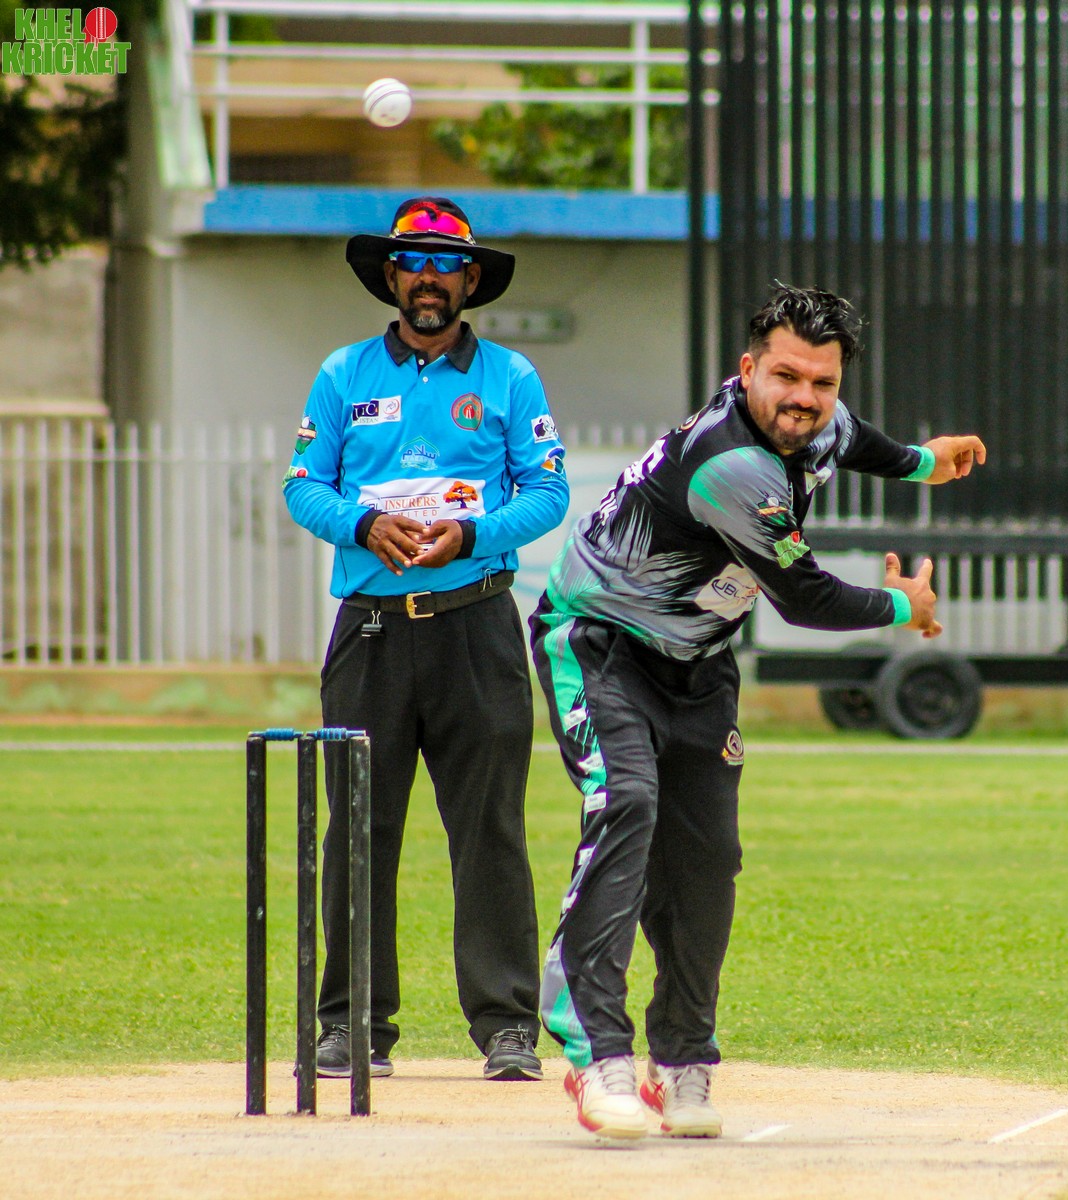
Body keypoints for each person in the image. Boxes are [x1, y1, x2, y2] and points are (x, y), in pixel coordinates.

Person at [529, 283, 986, 1137]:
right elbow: (804, 598)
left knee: (706, 861)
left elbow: (857, 440)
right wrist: (905, 608)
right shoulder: (731, 464)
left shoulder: (813, 419)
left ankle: (683, 1062)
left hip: (699, 661)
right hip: (600, 644)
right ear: (747, 371)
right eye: (786, 377)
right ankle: (596, 1054)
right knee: (627, 804)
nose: (805, 399)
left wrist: (925, 462)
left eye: (823, 382)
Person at [284, 196, 569, 1082]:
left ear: (471, 278)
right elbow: (302, 486)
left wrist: (472, 535)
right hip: (371, 631)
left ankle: (507, 1026)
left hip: (476, 625)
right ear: (392, 276)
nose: (430, 279)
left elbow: (548, 494)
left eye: (447, 265)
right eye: (413, 263)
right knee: (357, 829)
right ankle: (352, 1024)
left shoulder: (511, 377)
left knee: (490, 831)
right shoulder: (344, 373)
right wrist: (365, 525)